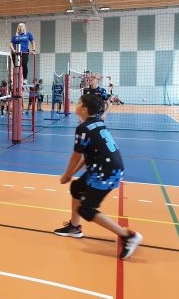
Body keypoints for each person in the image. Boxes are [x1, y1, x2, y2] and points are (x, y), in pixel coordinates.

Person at [53, 94, 142, 260]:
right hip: (105, 167)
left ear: (84, 109)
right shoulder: (98, 123)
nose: (76, 104)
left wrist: (67, 174)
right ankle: (74, 227)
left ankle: (128, 236)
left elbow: (75, 157)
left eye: (78, 103)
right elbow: (86, 155)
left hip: (106, 172)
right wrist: (71, 175)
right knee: (77, 188)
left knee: (86, 209)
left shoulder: (83, 128)